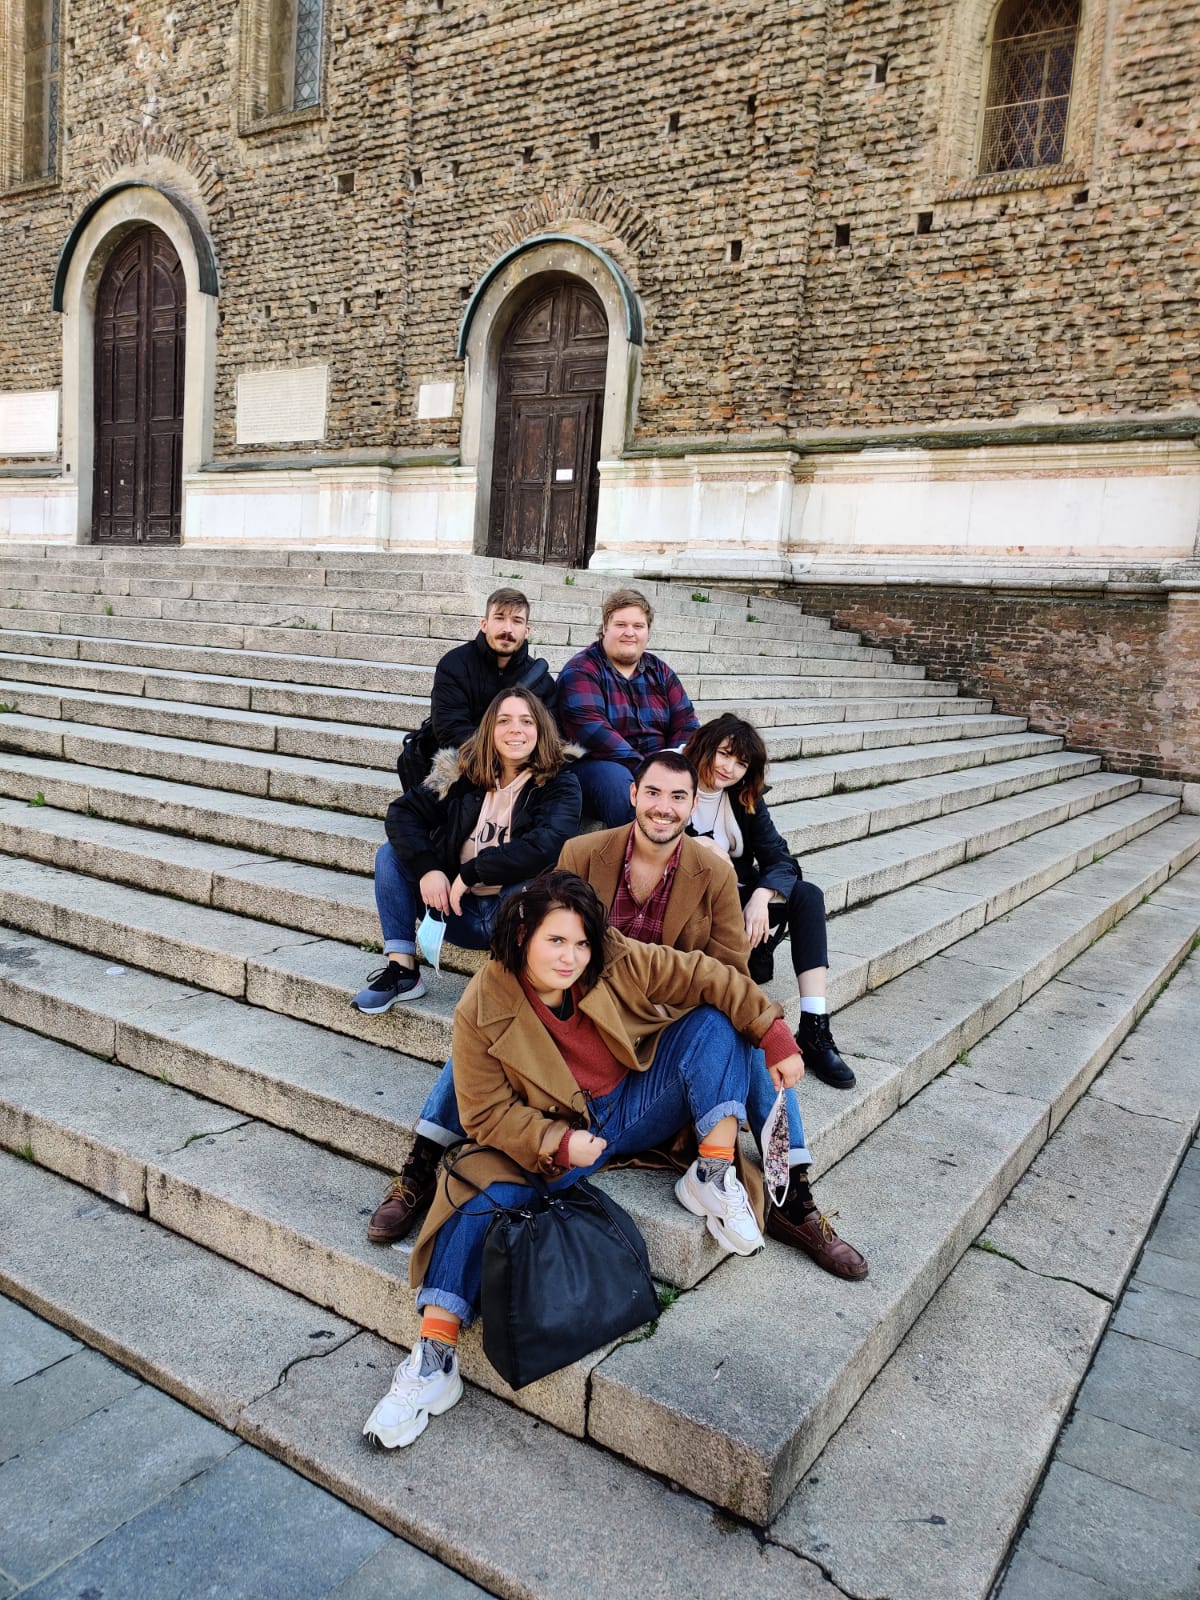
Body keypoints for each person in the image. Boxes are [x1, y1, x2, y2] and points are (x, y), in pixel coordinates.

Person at [371, 752, 867, 1282]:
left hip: (669, 1028)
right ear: (633, 795)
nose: (664, 807)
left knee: (740, 1022)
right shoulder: (583, 852)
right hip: (587, 1019)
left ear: (692, 806)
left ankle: (793, 1192)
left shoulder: (715, 873)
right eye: (653, 793)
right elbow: (547, 941)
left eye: (678, 797)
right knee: (494, 1024)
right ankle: (421, 1164)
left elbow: (728, 974)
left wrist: (775, 1033)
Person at [362, 869, 806, 1450]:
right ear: (521, 935)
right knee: (476, 1190)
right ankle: (433, 1360)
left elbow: (705, 973)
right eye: (555, 941)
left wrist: (774, 1033)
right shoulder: (482, 1004)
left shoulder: (612, 956)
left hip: (635, 1102)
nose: (571, 957)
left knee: (714, 1023)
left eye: (580, 943)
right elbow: (485, 1115)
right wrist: (555, 1141)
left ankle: (713, 1172)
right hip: (555, 1134)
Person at [352, 687, 581, 1015]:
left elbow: (544, 845)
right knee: (390, 856)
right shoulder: (462, 772)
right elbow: (403, 813)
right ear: (489, 729)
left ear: (541, 729)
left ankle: (515, 977)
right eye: (504, 721)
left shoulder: (559, 782)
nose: (515, 729)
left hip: (512, 912)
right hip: (456, 909)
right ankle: (403, 971)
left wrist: (471, 872)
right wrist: (429, 868)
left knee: (534, 883)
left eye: (526, 721)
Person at [683, 714, 855, 1091]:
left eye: (741, 762)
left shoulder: (745, 796)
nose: (730, 768)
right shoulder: (674, 778)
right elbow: (643, 832)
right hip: (689, 904)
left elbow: (780, 858)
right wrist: (695, 846)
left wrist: (762, 895)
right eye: (724, 754)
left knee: (808, 895)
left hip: (737, 896)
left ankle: (814, 1027)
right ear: (706, 745)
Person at [556, 586, 698, 826]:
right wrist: (652, 771)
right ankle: (642, 846)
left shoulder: (660, 671)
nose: (629, 633)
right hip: (599, 767)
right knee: (620, 783)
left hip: (658, 765)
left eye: (638, 626)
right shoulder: (581, 670)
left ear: (648, 632)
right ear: (604, 628)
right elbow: (593, 731)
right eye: (621, 625)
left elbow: (686, 722)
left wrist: (674, 762)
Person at [399, 587, 557, 789]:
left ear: (526, 631)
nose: (507, 629)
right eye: (499, 618)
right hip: (465, 763)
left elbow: (551, 735)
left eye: (517, 621)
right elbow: (450, 730)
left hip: (519, 770)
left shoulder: (541, 680)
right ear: (484, 624)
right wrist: (501, 753)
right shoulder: (454, 664)